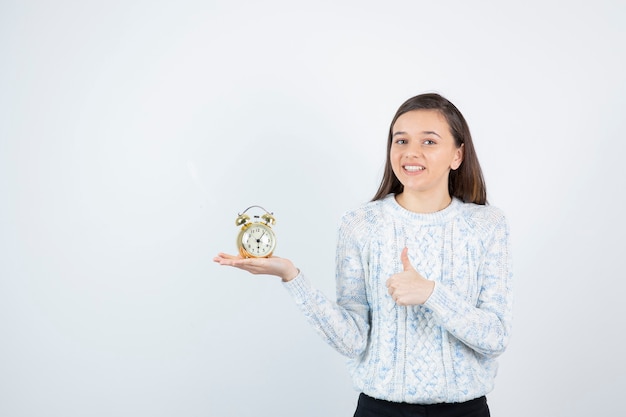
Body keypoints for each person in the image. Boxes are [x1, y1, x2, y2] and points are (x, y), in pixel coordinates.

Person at [214, 93, 513, 417]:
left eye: (429, 141)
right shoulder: (360, 225)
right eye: (401, 140)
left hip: (464, 411)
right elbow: (353, 341)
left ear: (457, 154)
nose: (411, 152)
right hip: (380, 410)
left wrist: (431, 294)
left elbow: (495, 337)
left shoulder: (487, 225)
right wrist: (291, 277)